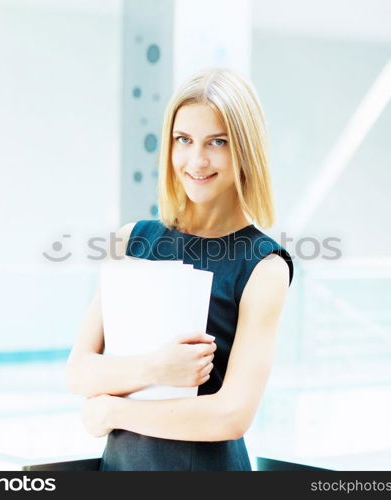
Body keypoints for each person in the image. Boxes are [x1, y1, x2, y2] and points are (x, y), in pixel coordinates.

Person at [66, 67, 294, 471]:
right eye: (183, 140)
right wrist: (157, 367)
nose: (196, 160)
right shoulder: (130, 240)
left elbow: (231, 415)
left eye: (217, 142)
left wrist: (113, 412)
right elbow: (80, 371)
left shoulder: (263, 266)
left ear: (245, 149)